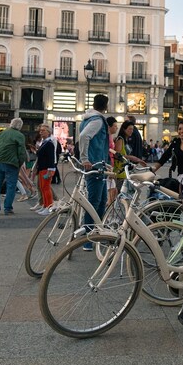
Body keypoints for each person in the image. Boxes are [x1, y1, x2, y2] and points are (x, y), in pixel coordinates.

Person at [79, 94, 110, 250]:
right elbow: (84, 136)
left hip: (99, 165)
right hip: (94, 166)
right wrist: (85, 159)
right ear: (105, 106)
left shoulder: (87, 119)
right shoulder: (97, 120)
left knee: (101, 199)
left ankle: (97, 233)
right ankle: (88, 239)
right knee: (94, 201)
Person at [152, 121, 183, 209]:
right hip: (181, 180)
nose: (181, 131)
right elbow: (163, 158)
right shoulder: (175, 144)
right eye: (179, 129)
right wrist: (151, 171)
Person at [0, 117, 27, 216]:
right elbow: (21, 152)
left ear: (11, 124)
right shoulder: (20, 135)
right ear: (20, 126)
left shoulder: (2, 133)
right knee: (11, 186)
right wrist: (20, 163)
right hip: (12, 163)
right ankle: (8, 208)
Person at [113, 120, 147, 192]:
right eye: (130, 129)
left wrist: (138, 160)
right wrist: (133, 158)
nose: (132, 131)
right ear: (124, 129)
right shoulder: (120, 139)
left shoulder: (125, 140)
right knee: (120, 193)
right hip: (120, 171)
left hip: (125, 171)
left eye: (132, 129)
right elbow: (117, 155)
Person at [32, 124, 56, 215]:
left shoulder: (49, 143)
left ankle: (49, 206)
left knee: (46, 188)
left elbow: (51, 157)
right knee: (43, 187)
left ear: (48, 132)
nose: (41, 132)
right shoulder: (45, 142)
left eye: (43, 131)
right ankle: (45, 205)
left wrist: (50, 169)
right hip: (42, 167)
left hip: (47, 168)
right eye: (40, 131)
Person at [106, 116, 119, 205]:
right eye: (115, 126)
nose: (116, 128)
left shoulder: (110, 136)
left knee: (113, 188)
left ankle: (109, 204)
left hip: (110, 164)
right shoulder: (107, 137)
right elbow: (107, 150)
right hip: (108, 164)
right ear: (109, 127)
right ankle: (109, 206)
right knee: (112, 188)